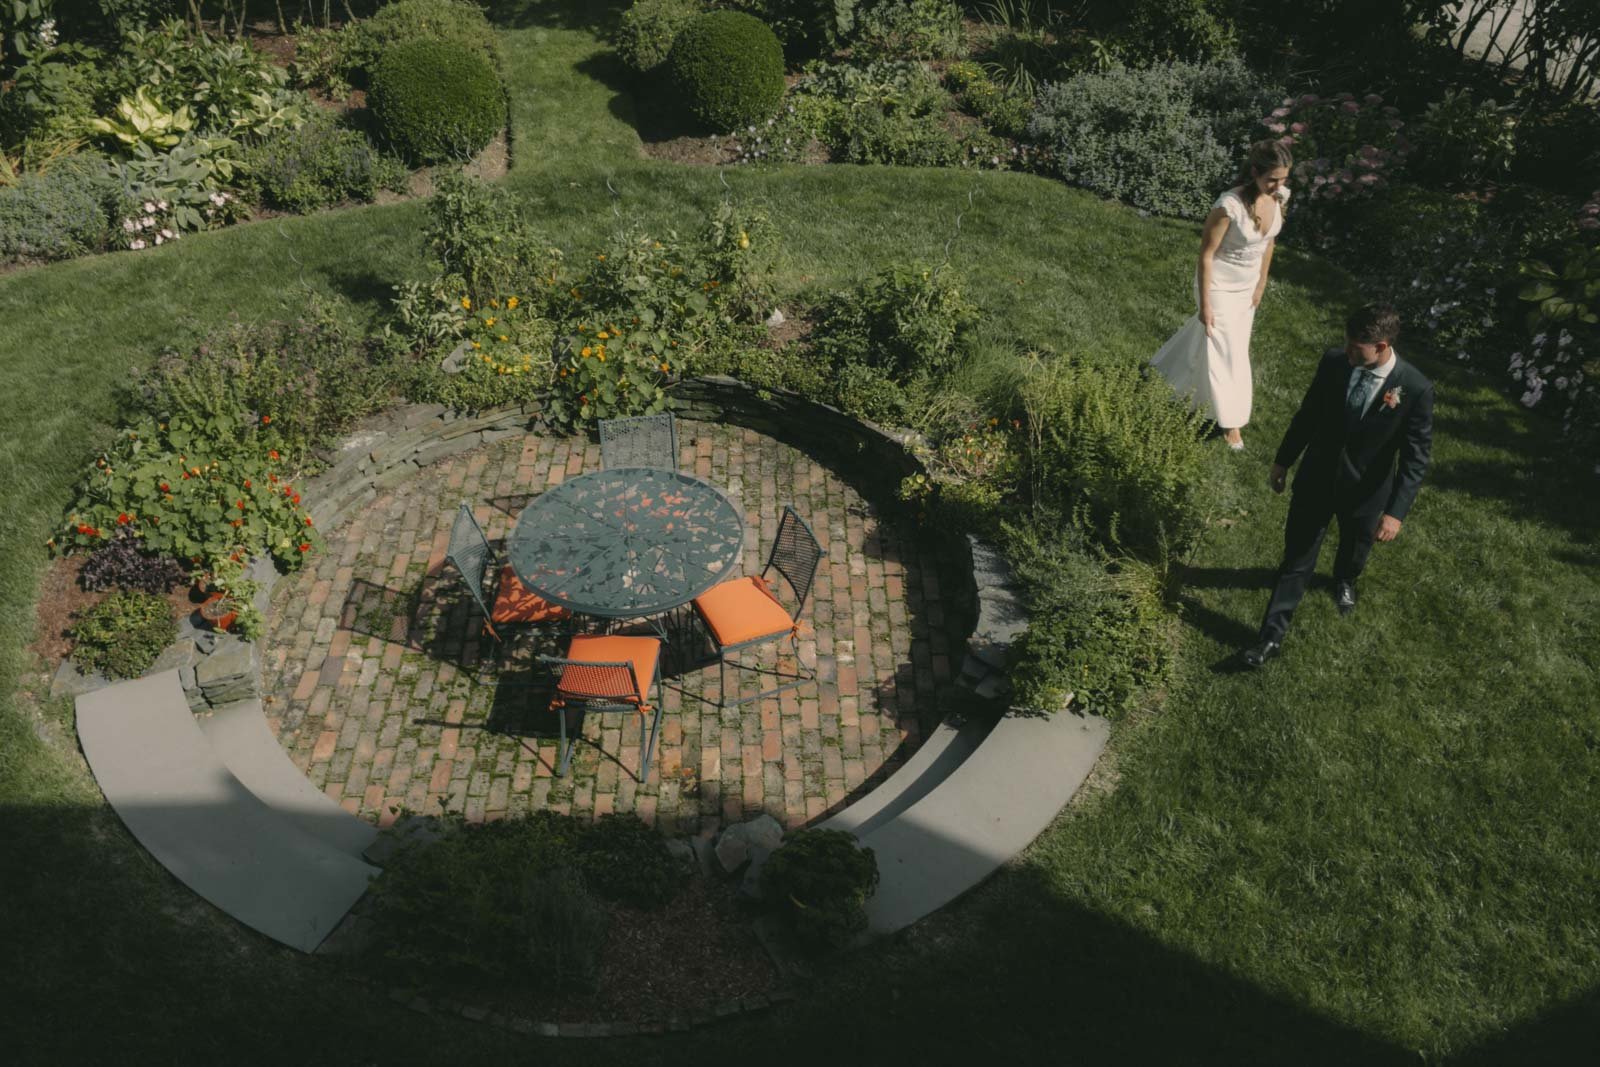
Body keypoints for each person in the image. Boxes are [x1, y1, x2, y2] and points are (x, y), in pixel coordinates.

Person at [1242, 303, 1434, 668]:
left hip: (1367, 491)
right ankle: (1269, 639)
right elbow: (1309, 414)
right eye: (1346, 344)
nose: (1347, 352)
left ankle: (1344, 578)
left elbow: (1415, 458)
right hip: (1317, 478)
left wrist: (1395, 512)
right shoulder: (1334, 363)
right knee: (1296, 559)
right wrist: (1283, 460)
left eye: (1355, 348)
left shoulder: (1414, 388)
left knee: (1355, 545)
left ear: (1381, 345)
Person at [1150, 140, 1293, 450]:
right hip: (1218, 284)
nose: (1279, 185)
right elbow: (1206, 254)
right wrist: (1206, 302)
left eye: (1283, 178)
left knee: (1223, 344)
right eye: (1272, 179)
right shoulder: (1228, 206)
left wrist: (1261, 283)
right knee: (1229, 350)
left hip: (1247, 285)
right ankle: (1231, 421)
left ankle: (1166, 373)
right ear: (1254, 172)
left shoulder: (1279, 196)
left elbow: (1268, 243)